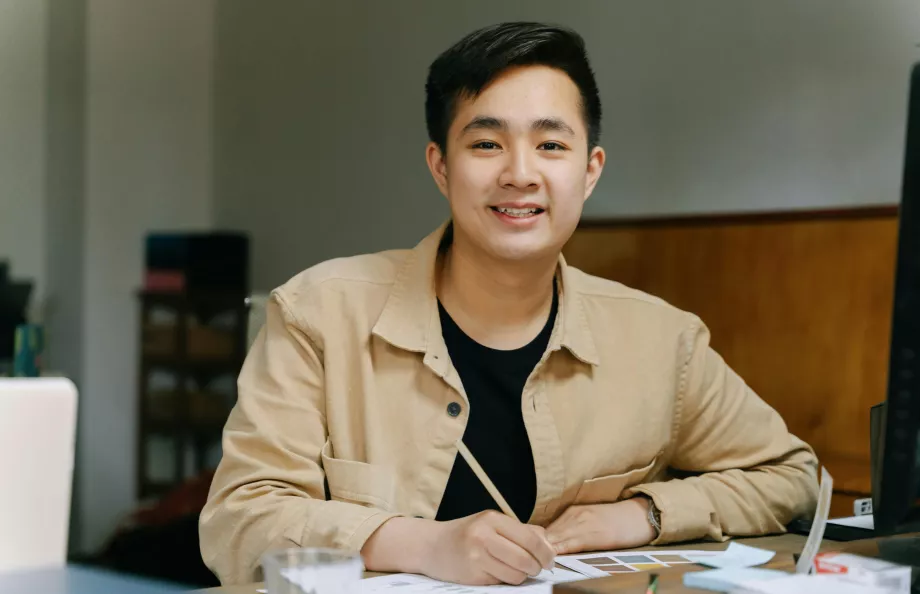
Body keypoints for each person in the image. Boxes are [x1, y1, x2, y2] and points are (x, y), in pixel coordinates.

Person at [199, 22, 818, 586]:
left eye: (551, 146)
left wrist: (642, 515)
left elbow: (792, 479)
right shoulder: (319, 313)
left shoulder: (662, 339)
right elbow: (239, 519)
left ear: (590, 170)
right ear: (441, 166)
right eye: (487, 144)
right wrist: (417, 544)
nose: (521, 174)